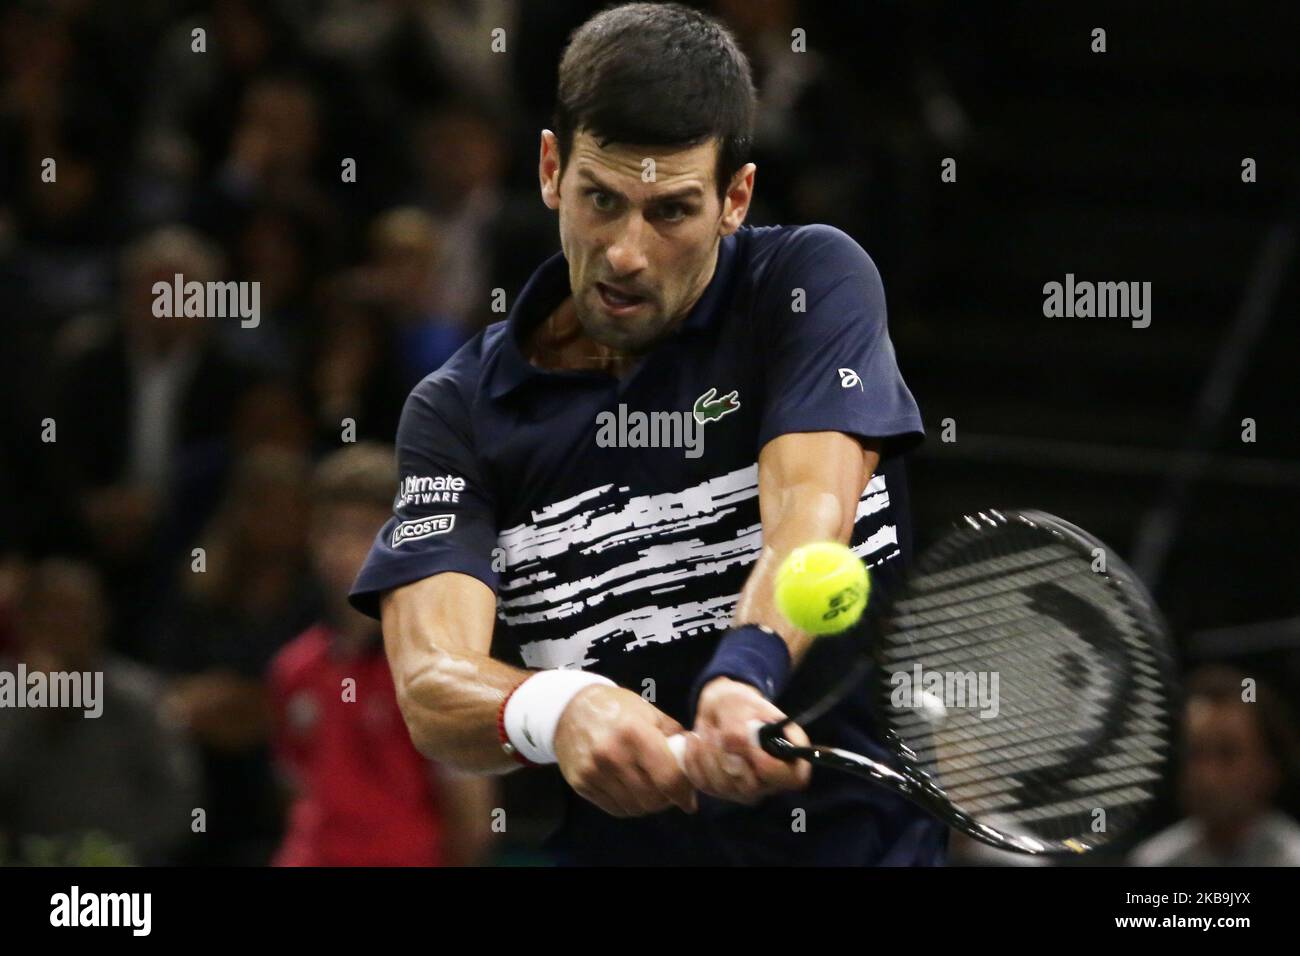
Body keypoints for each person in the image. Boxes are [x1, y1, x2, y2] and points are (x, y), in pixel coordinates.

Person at [350, 2, 941, 865]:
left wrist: (746, 671)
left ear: (735, 197)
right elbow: (432, 682)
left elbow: (812, 505)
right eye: (602, 199)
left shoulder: (808, 282)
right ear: (551, 170)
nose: (627, 252)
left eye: (670, 212)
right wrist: (557, 708)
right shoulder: (457, 410)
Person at [270, 444, 495, 866]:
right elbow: (299, 791)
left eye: (363, 531)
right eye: (331, 529)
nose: (342, 548)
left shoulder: (437, 668)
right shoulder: (292, 667)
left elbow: (472, 822)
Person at [1130, 665, 1300, 866]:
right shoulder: (1153, 861)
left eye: (1227, 754)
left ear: (1268, 766)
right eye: (1196, 753)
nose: (1207, 775)